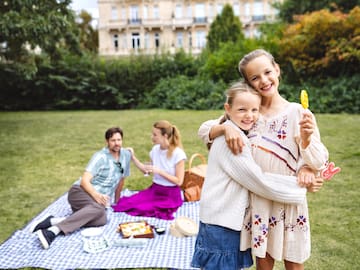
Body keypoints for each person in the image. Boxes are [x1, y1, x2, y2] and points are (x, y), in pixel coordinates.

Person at [198, 49, 329, 270]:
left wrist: (306, 162)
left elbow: (319, 159)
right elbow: (204, 130)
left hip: (289, 201)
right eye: (255, 77)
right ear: (248, 82)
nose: (264, 80)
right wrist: (224, 128)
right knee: (264, 261)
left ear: (277, 70)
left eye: (267, 72)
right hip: (259, 200)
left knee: (294, 262)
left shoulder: (298, 113)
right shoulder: (249, 113)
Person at [191, 81, 309, 270]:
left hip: (224, 219)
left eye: (255, 110)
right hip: (222, 224)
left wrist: (307, 169)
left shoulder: (237, 131)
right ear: (228, 109)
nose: (249, 116)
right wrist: (300, 187)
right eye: (242, 110)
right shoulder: (233, 142)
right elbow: (258, 181)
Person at [32, 127, 132, 249]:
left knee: (101, 220)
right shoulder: (100, 157)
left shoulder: (125, 155)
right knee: (99, 210)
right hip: (80, 192)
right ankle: (52, 231)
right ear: (107, 141)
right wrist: (97, 195)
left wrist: (116, 201)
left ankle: (54, 221)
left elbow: (121, 180)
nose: (117, 143)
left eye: (119, 140)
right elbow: (84, 181)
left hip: (95, 201)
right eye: (113, 140)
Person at [112, 120, 186, 220]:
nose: (152, 137)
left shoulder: (178, 154)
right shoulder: (155, 150)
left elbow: (179, 181)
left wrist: (159, 171)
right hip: (155, 190)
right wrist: (132, 157)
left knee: (142, 209)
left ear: (165, 136)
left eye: (155, 135)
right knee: (127, 204)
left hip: (170, 195)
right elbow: (146, 170)